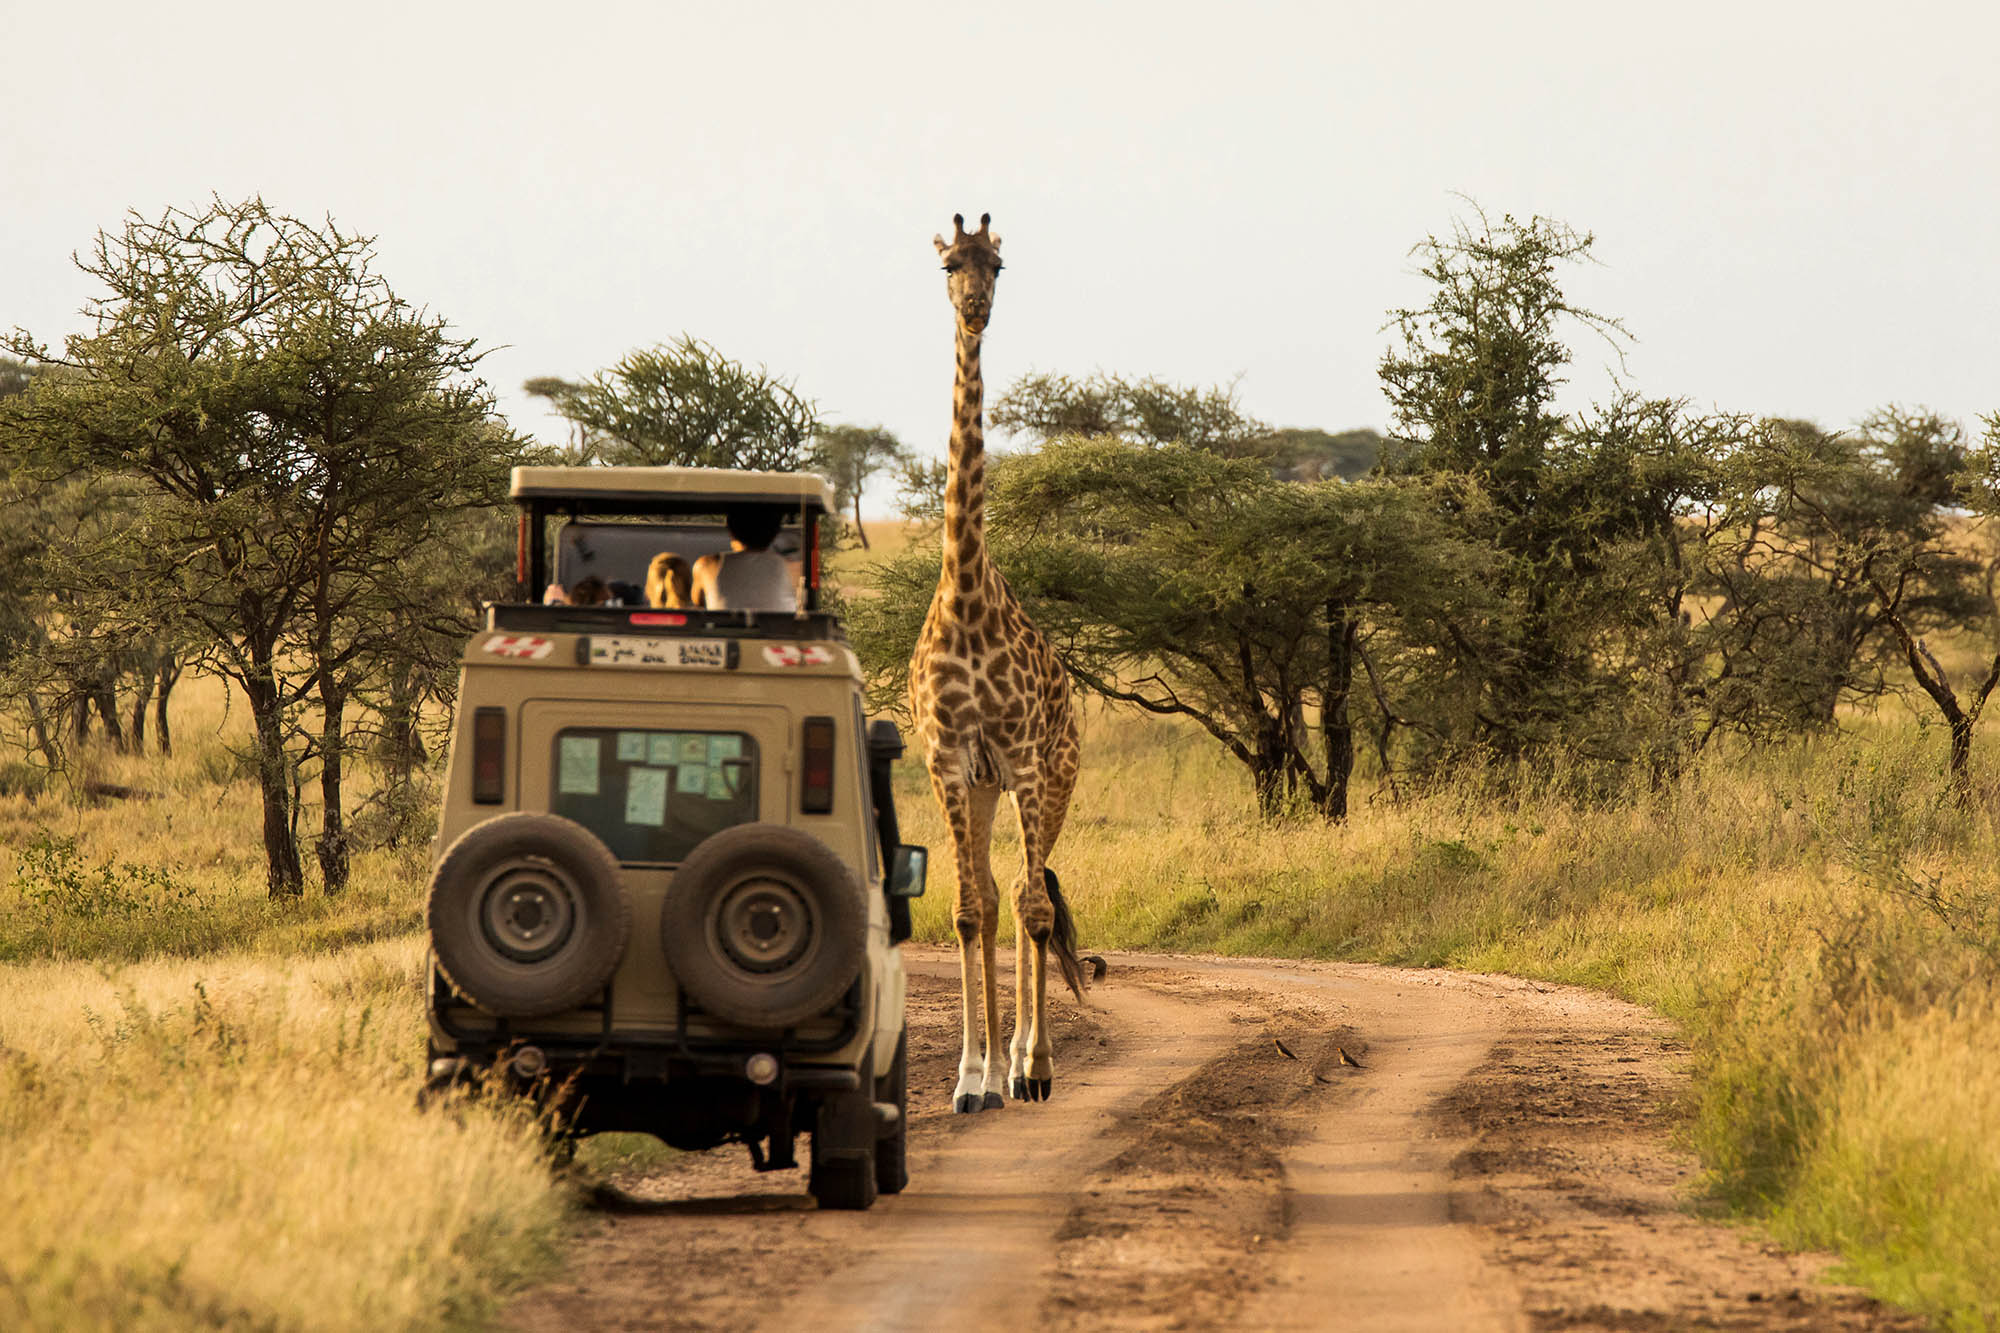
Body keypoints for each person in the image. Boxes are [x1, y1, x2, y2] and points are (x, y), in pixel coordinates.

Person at [690, 506, 798, 612]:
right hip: (779, 630)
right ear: (776, 532)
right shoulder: (793, 569)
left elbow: (698, 607)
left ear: (730, 529)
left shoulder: (706, 566)